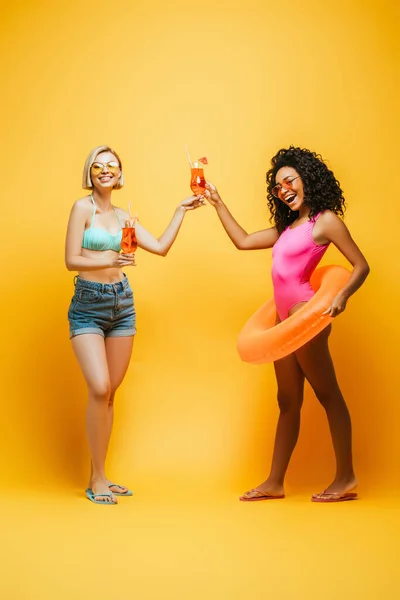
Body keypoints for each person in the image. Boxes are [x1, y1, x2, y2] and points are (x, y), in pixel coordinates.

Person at [204, 146, 369, 503]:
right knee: (287, 400)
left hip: (305, 317)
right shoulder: (286, 227)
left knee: (328, 394)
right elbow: (244, 241)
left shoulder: (324, 221)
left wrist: (342, 297)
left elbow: (361, 266)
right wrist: (217, 202)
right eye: (278, 187)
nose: (284, 190)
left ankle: (346, 477)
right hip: (283, 322)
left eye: (289, 180)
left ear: (307, 179)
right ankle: (275, 482)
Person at [65, 145, 203, 504]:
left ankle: (103, 474)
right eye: (98, 165)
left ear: (120, 174)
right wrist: (110, 256)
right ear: (90, 173)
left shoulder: (126, 216)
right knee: (99, 387)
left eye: (112, 165)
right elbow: (70, 259)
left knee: (109, 393)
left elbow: (159, 247)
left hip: (122, 305)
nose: (105, 170)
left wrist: (180, 211)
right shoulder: (83, 208)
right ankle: (95, 477)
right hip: (88, 305)